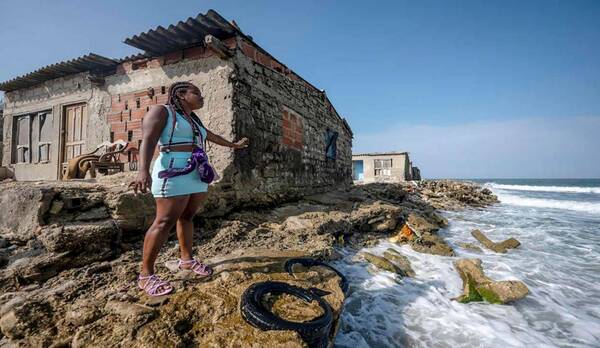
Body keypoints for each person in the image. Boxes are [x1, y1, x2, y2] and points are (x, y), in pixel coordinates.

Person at [129, 81, 249, 296]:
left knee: (187, 217)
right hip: (172, 169)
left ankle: (186, 260)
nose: (202, 97)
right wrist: (142, 172)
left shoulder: (193, 120)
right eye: (197, 93)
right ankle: (145, 275)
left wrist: (234, 146)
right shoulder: (161, 111)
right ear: (182, 94)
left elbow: (211, 136)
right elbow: (147, 140)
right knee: (164, 221)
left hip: (196, 170)